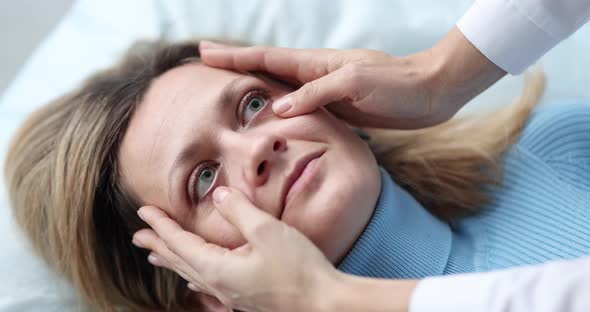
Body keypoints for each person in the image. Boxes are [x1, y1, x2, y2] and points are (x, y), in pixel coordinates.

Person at [130, 0, 590, 311]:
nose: (258, 147)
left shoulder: (554, 152)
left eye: (253, 105)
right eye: (204, 179)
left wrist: (432, 75)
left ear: (335, 108)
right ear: (204, 290)